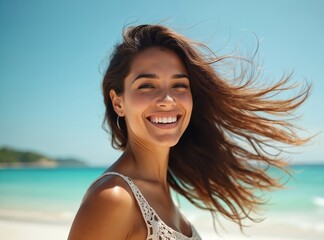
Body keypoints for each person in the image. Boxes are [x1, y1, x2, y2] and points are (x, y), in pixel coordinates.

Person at [68, 24, 310, 240]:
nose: (167, 99)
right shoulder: (113, 199)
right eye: (147, 85)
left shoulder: (160, 189)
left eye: (179, 85)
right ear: (118, 102)